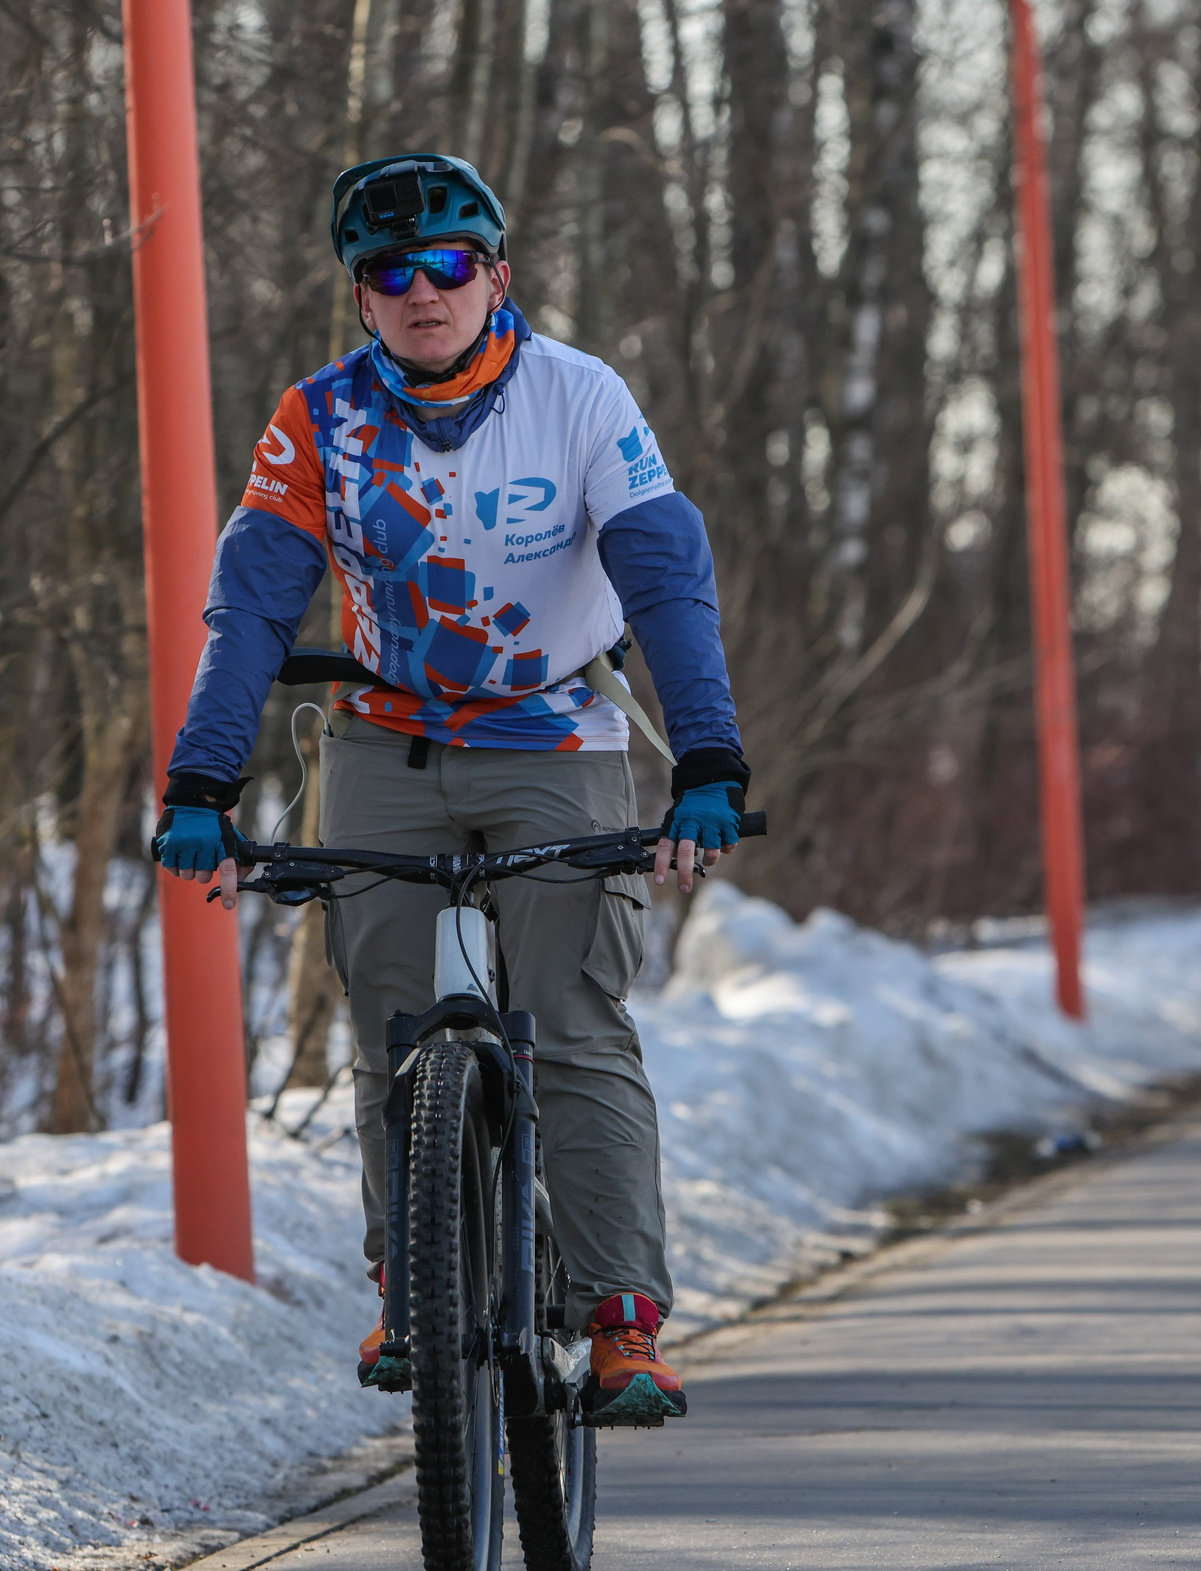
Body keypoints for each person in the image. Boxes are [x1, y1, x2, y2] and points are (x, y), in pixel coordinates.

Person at [151, 153, 751, 1424]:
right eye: (389, 271)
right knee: (390, 1025)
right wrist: (200, 781)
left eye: (447, 264)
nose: (421, 291)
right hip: (385, 742)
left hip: (557, 739)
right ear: (360, 295)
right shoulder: (317, 418)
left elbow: (665, 581)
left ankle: (620, 1316)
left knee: (570, 1017)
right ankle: (412, 1287)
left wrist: (707, 760)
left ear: (495, 276)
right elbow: (249, 608)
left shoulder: (579, 397)